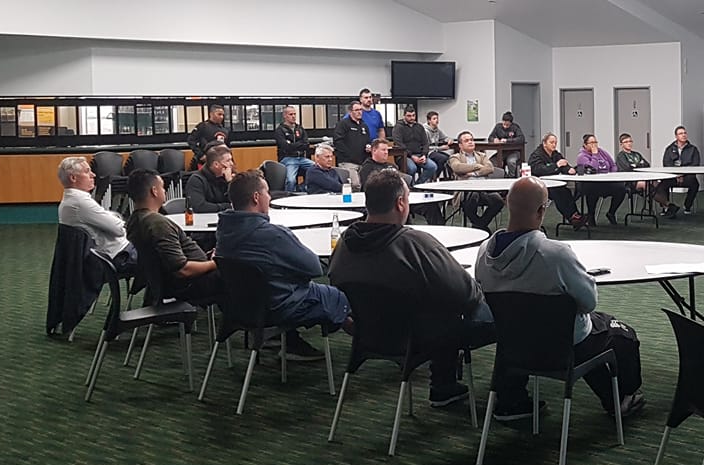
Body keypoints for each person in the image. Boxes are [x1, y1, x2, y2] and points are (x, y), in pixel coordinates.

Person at [474, 177, 645, 420]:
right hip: (564, 346)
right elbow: (588, 303)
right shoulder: (556, 254)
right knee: (621, 335)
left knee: (535, 323)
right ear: (541, 210)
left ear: (507, 204)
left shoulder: (483, 252)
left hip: (512, 343)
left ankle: (511, 399)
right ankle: (621, 399)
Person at [329, 169, 492, 406]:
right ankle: (508, 396)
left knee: (437, 306)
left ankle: (445, 385)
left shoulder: (344, 243)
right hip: (417, 336)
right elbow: (465, 293)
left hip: (368, 332)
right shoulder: (414, 244)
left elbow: (335, 283)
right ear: (400, 203)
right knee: (496, 315)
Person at [214, 169, 348, 360]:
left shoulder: (223, 232)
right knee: (339, 296)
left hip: (239, 307)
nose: (269, 197)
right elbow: (314, 268)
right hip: (278, 307)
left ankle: (290, 343)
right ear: (256, 197)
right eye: (267, 192)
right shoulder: (274, 235)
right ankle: (370, 343)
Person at [124, 169, 224, 305]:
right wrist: (214, 264)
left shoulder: (135, 220)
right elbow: (182, 270)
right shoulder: (157, 223)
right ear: (154, 191)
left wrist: (207, 258)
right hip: (189, 285)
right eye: (162, 187)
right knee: (241, 272)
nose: (164, 191)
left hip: (173, 282)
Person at [56, 156, 129, 257]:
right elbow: (119, 229)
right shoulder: (80, 202)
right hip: (118, 254)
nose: (93, 175)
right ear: (73, 178)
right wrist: (115, 218)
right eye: (87, 172)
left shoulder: (71, 200)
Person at [527, 133, 587, 229]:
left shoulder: (556, 154)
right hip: (540, 185)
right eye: (551, 142)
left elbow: (563, 164)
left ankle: (575, 215)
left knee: (566, 191)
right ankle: (572, 217)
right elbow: (538, 169)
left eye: (555, 142)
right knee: (558, 193)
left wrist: (569, 169)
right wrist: (556, 165)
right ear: (544, 143)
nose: (554, 145)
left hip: (554, 183)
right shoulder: (536, 155)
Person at [448, 131, 504, 230]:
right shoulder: (455, 157)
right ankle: (480, 226)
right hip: (465, 191)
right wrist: (477, 166)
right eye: (466, 141)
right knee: (473, 196)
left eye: (471, 140)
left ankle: (479, 225)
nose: (470, 142)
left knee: (498, 200)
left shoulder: (482, 156)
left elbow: (490, 168)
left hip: (484, 189)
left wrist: (473, 173)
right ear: (460, 145)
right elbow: (457, 167)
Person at [616, 132, 676, 218]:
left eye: (630, 141)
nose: (629, 143)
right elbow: (627, 168)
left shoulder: (636, 154)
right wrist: (639, 165)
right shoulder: (621, 156)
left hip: (643, 177)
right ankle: (669, 205)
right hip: (630, 181)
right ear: (621, 144)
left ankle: (666, 207)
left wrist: (636, 165)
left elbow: (646, 164)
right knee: (646, 185)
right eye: (626, 142)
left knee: (658, 183)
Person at [576, 133, 626, 226]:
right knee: (592, 190)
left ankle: (611, 213)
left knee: (621, 188)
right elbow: (593, 168)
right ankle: (591, 215)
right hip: (590, 183)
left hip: (606, 180)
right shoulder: (582, 156)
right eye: (591, 143)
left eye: (595, 142)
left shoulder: (602, 152)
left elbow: (613, 165)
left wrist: (612, 174)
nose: (594, 145)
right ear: (585, 145)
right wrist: (594, 154)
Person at [661, 125, 700, 214]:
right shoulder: (669, 149)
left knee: (695, 184)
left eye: (685, 133)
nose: (683, 135)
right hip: (672, 176)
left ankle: (687, 206)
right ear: (676, 136)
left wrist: (682, 174)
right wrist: (676, 174)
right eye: (681, 133)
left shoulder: (693, 149)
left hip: (687, 176)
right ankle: (666, 207)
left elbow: (695, 164)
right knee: (662, 184)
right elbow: (666, 164)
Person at [393, 107, 437, 184]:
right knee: (412, 168)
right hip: (404, 156)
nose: (412, 118)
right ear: (404, 116)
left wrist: (424, 155)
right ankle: (410, 187)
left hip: (419, 154)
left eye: (413, 115)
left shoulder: (419, 127)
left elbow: (425, 143)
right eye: (409, 116)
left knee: (432, 167)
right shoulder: (398, 127)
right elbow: (399, 144)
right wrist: (411, 156)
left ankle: (418, 185)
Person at [185, 144, 233, 213]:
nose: (231, 164)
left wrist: (229, 182)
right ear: (216, 164)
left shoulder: (228, 177)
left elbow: (239, 203)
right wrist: (227, 206)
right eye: (228, 161)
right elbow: (199, 207)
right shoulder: (197, 180)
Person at [274, 105, 311, 192]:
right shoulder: (280, 130)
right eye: (291, 114)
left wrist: (292, 145)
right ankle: (289, 196)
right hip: (288, 159)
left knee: (318, 170)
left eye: (294, 114)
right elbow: (285, 147)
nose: (293, 116)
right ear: (285, 116)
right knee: (291, 180)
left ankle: (301, 189)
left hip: (302, 158)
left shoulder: (300, 128)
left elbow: (306, 144)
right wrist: (300, 144)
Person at [333, 100, 369, 189]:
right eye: (356, 110)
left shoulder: (364, 125)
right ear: (350, 112)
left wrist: (369, 146)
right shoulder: (343, 124)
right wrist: (348, 154)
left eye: (360, 110)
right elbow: (338, 141)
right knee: (355, 184)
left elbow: (367, 141)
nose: (359, 112)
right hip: (347, 162)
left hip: (363, 162)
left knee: (367, 184)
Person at [424, 111, 452, 175]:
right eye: (434, 119)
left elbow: (444, 137)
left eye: (437, 118)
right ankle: (434, 176)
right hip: (428, 152)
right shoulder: (425, 131)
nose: (437, 120)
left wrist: (449, 140)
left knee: (450, 157)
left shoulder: (437, 130)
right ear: (429, 121)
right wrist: (440, 148)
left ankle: (449, 177)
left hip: (435, 151)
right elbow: (426, 147)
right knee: (442, 158)